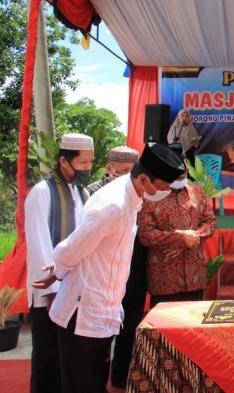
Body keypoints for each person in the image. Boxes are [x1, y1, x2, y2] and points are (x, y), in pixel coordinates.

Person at [32, 142, 185, 393]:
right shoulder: (113, 205)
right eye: (161, 187)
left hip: (104, 309)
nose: (163, 193)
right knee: (83, 385)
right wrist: (57, 271)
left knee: (94, 382)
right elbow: (73, 246)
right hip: (83, 312)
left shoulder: (131, 195)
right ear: (144, 178)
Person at [25, 133, 94, 393]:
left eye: (90, 163)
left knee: (71, 361)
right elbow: (40, 246)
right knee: (48, 360)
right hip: (51, 294)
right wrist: (51, 293)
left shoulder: (81, 191)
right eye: (84, 163)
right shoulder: (42, 193)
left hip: (76, 290)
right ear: (65, 162)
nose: (88, 169)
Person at [86, 145, 142, 390]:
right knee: (98, 334)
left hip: (131, 271)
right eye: (121, 171)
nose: (125, 176)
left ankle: (120, 378)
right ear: (108, 168)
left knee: (128, 327)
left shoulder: (138, 194)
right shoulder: (91, 194)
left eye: (131, 171)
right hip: (100, 273)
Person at [138, 153, 216, 307]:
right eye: (177, 177)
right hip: (165, 279)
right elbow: (145, 235)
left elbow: (210, 222)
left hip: (195, 277)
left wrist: (191, 238)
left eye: (184, 175)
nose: (181, 179)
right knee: (163, 328)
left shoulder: (197, 192)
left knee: (193, 326)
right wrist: (179, 238)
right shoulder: (151, 196)